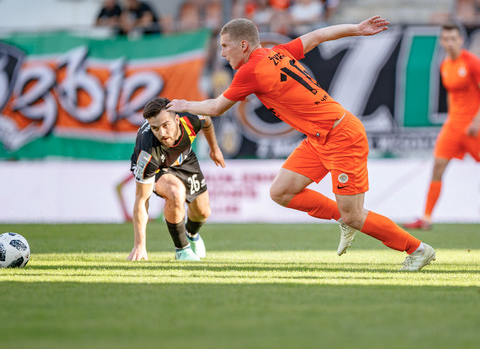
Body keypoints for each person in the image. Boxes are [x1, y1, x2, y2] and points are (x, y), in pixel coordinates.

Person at [167, 16, 436, 271]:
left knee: (355, 215)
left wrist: (183, 104)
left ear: (243, 45)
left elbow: (216, 107)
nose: (223, 53)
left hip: (341, 136)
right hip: (320, 137)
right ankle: (343, 217)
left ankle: (417, 249)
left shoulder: (250, 70)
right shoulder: (278, 52)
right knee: (282, 192)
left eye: (225, 46)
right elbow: (318, 35)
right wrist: (357, 28)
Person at [128, 98, 225, 261]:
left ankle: (192, 234)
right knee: (175, 192)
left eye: (166, 125)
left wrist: (214, 149)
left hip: (184, 159)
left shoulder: (190, 118)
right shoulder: (148, 152)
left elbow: (207, 121)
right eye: (155, 128)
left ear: (177, 120)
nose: (162, 133)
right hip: (158, 168)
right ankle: (182, 250)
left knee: (203, 212)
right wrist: (139, 245)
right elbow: (141, 199)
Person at [404, 23, 480, 230]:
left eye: (453, 38)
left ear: (461, 40)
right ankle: (426, 218)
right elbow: (452, 94)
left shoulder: (472, 63)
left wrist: (477, 120)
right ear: (442, 42)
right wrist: (450, 117)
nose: (449, 42)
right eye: (446, 39)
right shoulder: (445, 64)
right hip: (453, 126)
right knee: (437, 167)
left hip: (474, 126)